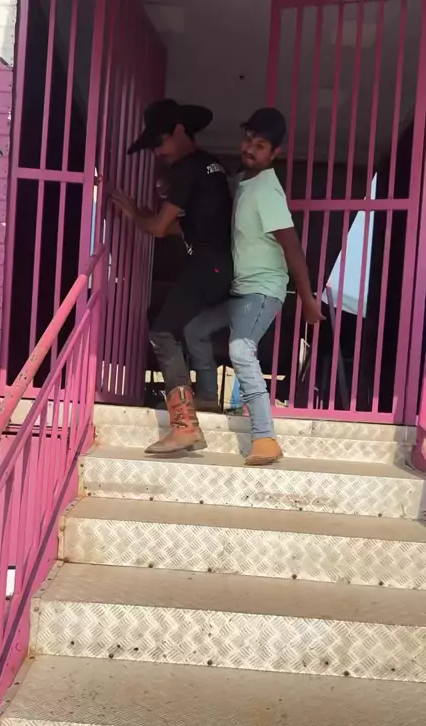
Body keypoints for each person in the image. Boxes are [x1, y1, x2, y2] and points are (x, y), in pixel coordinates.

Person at [184, 107, 323, 466]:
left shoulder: (267, 191)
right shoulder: (244, 183)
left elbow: (292, 247)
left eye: (260, 145)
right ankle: (206, 396)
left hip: (262, 290)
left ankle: (265, 438)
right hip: (241, 290)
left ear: (274, 153)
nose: (250, 148)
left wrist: (307, 298)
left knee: (241, 350)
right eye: (249, 139)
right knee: (196, 329)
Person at [113, 99, 233, 454]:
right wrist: (150, 216)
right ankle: (200, 402)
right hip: (219, 266)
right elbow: (184, 226)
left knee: (162, 332)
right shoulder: (211, 166)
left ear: (179, 130)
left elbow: (159, 228)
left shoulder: (186, 170)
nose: (156, 152)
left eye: (159, 142)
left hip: (208, 266)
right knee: (187, 328)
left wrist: (136, 216)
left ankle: (183, 426)